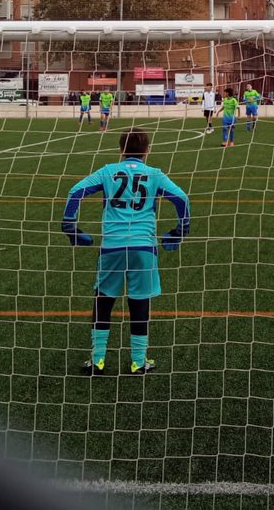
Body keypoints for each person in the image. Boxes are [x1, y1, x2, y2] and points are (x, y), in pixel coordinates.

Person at [63, 128, 190, 376]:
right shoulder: (155, 174)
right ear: (148, 150)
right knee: (139, 302)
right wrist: (180, 231)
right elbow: (182, 199)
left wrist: (70, 227)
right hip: (143, 247)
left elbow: (74, 192)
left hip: (112, 246)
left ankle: (97, 361)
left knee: (104, 300)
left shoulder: (108, 171)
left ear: (121, 151)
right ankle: (138, 362)